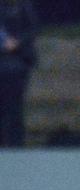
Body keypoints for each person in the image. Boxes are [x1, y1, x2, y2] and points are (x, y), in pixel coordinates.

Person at [0, 0, 37, 147]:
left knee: (15, 108)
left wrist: (17, 42)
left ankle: (16, 146)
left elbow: (33, 29)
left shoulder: (24, 7)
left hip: (18, 65)